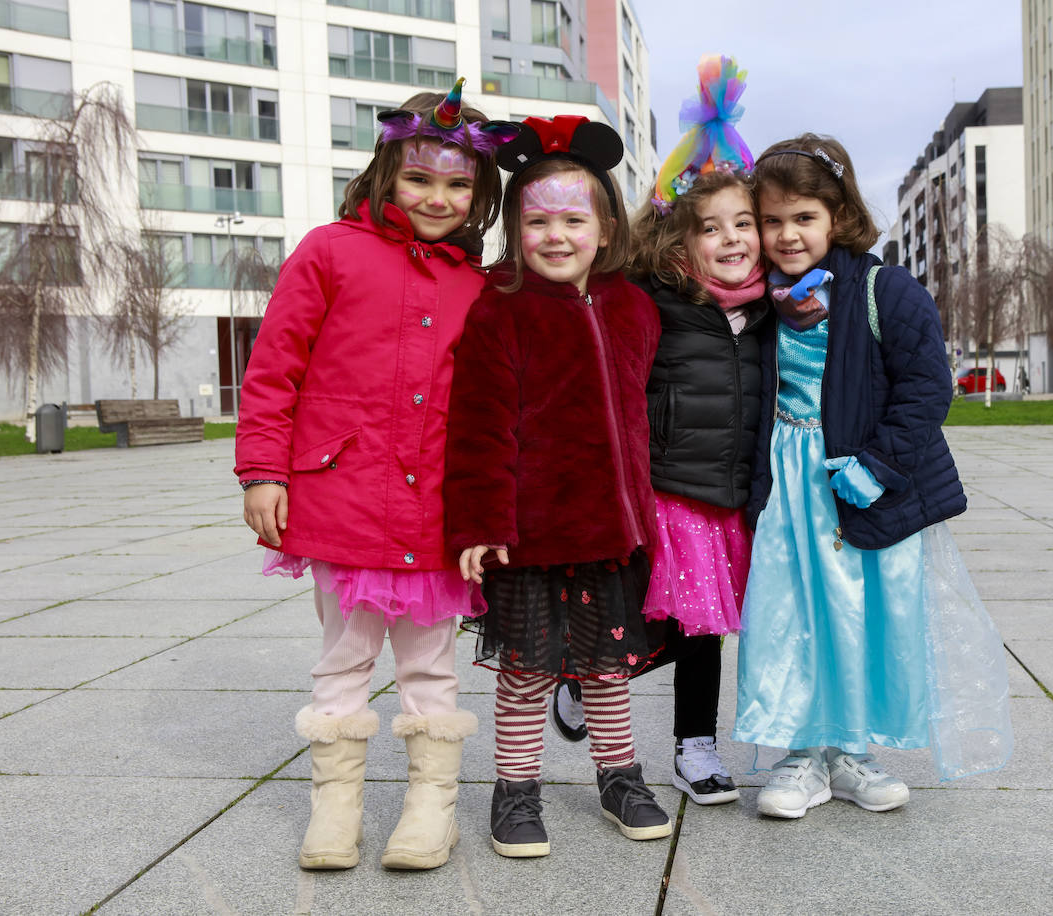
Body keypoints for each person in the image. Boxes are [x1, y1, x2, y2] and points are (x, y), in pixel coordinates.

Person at [234, 81, 514, 871]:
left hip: (436, 512)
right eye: (420, 178)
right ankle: (336, 809)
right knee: (344, 658)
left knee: (429, 663)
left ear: (480, 195)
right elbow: (275, 367)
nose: (438, 198)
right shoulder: (330, 251)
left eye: (457, 185)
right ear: (387, 172)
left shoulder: (479, 284)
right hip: (344, 499)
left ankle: (431, 808)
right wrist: (263, 470)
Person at [734, 134, 1014, 820]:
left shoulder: (885, 289)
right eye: (772, 220)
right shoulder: (755, 301)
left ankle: (852, 752)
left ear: (838, 216)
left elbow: (927, 387)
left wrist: (879, 465)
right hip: (787, 484)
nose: (788, 234)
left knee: (863, 615)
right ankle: (801, 753)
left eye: (804, 217)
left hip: (862, 481)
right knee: (790, 613)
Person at [443, 115, 672, 858]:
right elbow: (479, 427)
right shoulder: (500, 310)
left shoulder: (633, 307)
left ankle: (619, 776)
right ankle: (515, 789)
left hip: (611, 531)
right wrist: (481, 522)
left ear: (605, 230)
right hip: (532, 536)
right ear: (517, 228)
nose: (556, 236)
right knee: (527, 671)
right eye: (538, 221)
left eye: (574, 220)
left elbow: (640, 416)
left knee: (607, 668)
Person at [551, 54, 765, 806]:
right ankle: (585, 676)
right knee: (651, 621)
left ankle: (694, 746)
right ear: (680, 240)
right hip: (665, 491)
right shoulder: (653, 299)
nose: (732, 240)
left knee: (704, 628)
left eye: (745, 224)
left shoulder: (774, 308)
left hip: (729, 495)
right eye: (711, 228)